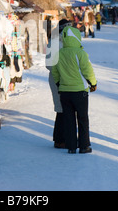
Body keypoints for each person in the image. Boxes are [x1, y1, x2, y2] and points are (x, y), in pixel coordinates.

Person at [51, 26, 97, 154]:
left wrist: (60, 83)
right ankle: (84, 146)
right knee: (82, 119)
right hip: (80, 91)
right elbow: (88, 71)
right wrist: (93, 83)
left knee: (69, 119)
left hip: (65, 92)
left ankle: (71, 146)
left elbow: (55, 72)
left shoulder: (58, 54)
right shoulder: (80, 53)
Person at [47, 19, 71, 149]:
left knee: (64, 108)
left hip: (66, 79)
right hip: (58, 79)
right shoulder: (55, 42)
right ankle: (60, 139)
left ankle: (62, 138)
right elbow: (49, 64)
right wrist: (61, 72)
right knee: (61, 108)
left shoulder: (66, 41)